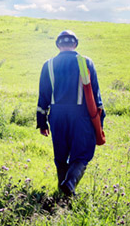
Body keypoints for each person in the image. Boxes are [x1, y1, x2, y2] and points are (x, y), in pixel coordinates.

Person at [36, 30, 105, 196]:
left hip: (57, 115)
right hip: (80, 116)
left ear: (58, 44)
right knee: (82, 154)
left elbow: (43, 95)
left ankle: (63, 194)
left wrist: (42, 122)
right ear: (75, 44)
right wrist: (99, 123)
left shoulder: (49, 64)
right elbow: (96, 96)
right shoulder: (86, 62)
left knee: (61, 155)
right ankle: (70, 182)